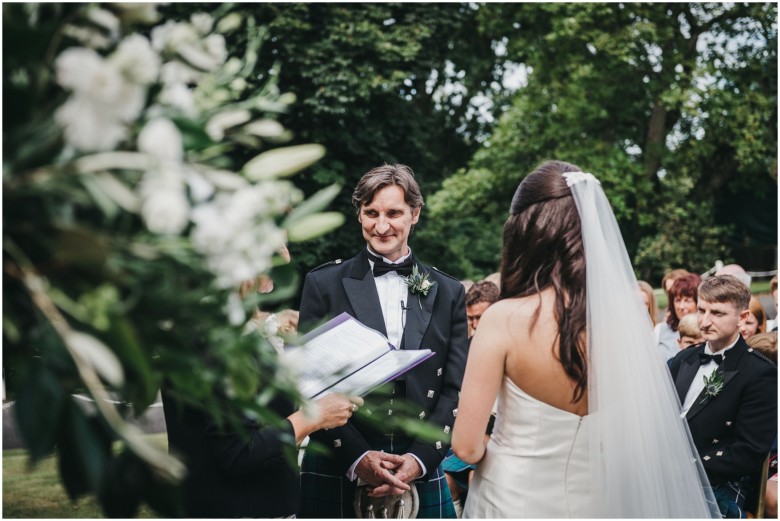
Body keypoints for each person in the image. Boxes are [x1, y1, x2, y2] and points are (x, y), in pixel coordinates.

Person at [452, 160, 719, 518]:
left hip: (513, 500)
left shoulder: (503, 319)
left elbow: (466, 447)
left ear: (525, 232)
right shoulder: (621, 322)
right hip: (597, 502)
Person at [297, 163, 469, 519]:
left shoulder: (449, 291)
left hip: (420, 455)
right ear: (359, 215)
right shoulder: (323, 284)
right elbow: (307, 382)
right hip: (341, 452)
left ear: (415, 214)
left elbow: (455, 387)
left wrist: (422, 458)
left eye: (394, 213)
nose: (382, 225)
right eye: (371, 213)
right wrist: (356, 457)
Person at [162, 270, 362, 517]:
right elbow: (239, 452)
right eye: (276, 245)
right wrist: (314, 416)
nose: (286, 258)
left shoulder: (218, 324)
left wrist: (270, 325)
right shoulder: (216, 340)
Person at [669, 275, 777, 518]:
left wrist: (686, 468)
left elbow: (749, 451)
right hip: (667, 473)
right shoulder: (683, 359)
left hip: (718, 485)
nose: (704, 322)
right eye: (701, 310)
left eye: (717, 313)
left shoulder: (760, 373)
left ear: (743, 317)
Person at [442, 280, 499, 517]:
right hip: (469, 433)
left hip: (499, 437)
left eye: (481, 317)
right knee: (444, 477)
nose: (475, 325)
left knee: (480, 479)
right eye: (471, 318)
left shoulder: (516, 347)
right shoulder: (465, 348)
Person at [654, 273, 701, 360]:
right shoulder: (661, 329)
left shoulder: (707, 331)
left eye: (687, 300)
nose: (681, 307)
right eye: (678, 300)